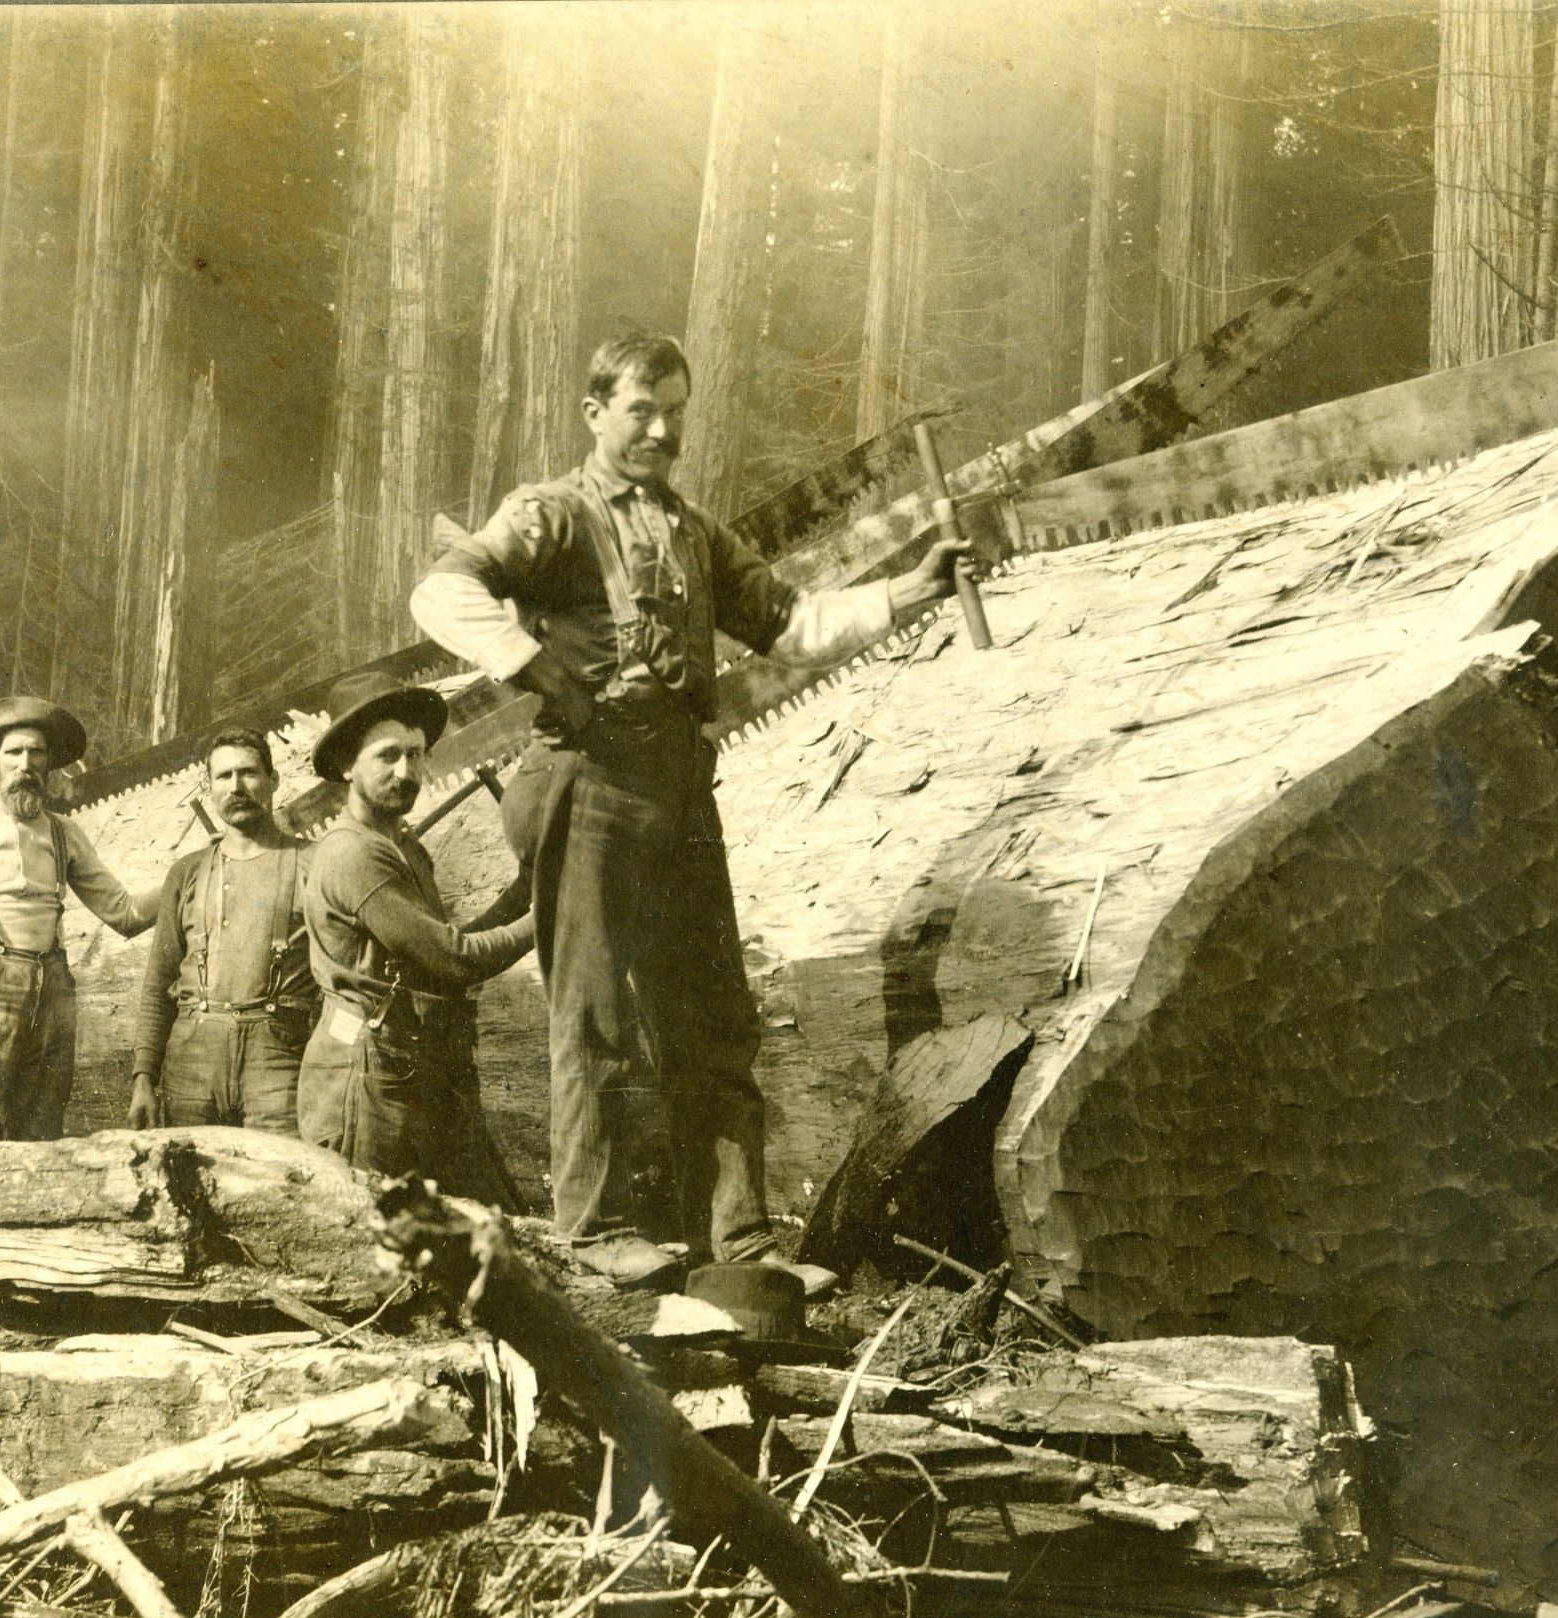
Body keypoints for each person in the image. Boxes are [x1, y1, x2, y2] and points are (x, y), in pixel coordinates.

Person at [411, 332, 970, 1289]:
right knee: (593, 1013)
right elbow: (442, 589)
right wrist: (533, 665)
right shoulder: (552, 514)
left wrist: (910, 589)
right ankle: (593, 1232)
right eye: (641, 410)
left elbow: (792, 623)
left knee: (715, 1017)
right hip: (590, 781)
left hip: (680, 789)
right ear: (595, 414)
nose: (662, 432)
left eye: (675, 412)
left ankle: (738, 1243)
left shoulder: (695, 531)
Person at [297, 674, 533, 1206]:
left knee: (470, 1222)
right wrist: (548, 918)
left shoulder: (400, 844)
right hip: (368, 1080)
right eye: (387, 756)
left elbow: (439, 947)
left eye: (417, 755)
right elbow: (453, 960)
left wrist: (525, 892)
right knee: (382, 1230)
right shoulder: (354, 853)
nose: (407, 772)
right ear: (346, 765)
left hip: (409, 1064)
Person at [0, 696, 153, 1147]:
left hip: (53, 1005)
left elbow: (125, 913)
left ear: (50, 763)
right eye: (14, 753)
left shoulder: (65, 833)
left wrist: (187, 874)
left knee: (39, 1144)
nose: (26, 765)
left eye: (37, 753)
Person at [129, 729, 317, 1133]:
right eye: (224, 776)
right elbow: (158, 983)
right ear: (210, 788)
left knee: (280, 1168)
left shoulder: (313, 865)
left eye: (248, 773)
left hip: (278, 1060)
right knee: (189, 1167)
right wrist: (143, 1078)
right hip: (193, 1060)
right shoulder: (186, 873)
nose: (236, 787)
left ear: (273, 780)